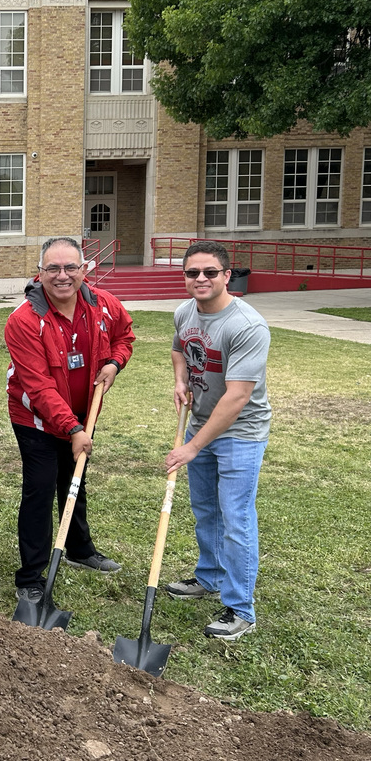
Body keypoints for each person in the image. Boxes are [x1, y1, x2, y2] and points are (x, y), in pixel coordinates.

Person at [5, 237, 135, 606]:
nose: (62, 276)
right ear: (40, 273)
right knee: (41, 488)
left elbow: (124, 336)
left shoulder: (103, 305)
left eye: (70, 268)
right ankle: (30, 574)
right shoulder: (25, 321)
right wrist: (74, 430)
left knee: (74, 481)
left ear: (84, 269)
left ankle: (79, 549)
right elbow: (39, 387)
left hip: (83, 413)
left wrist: (114, 362)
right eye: (53, 269)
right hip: (36, 419)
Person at [164, 240, 271, 641]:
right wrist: (179, 380)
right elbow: (180, 348)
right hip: (201, 423)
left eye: (210, 272)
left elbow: (238, 396)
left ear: (227, 276)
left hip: (240, 432)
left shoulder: (246, 325)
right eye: (193, 273)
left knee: (235, 518)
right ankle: (209, 577)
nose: (201, 279)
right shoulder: (184, 311)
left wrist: (192, 447)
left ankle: (240, 608)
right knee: (206, 509)